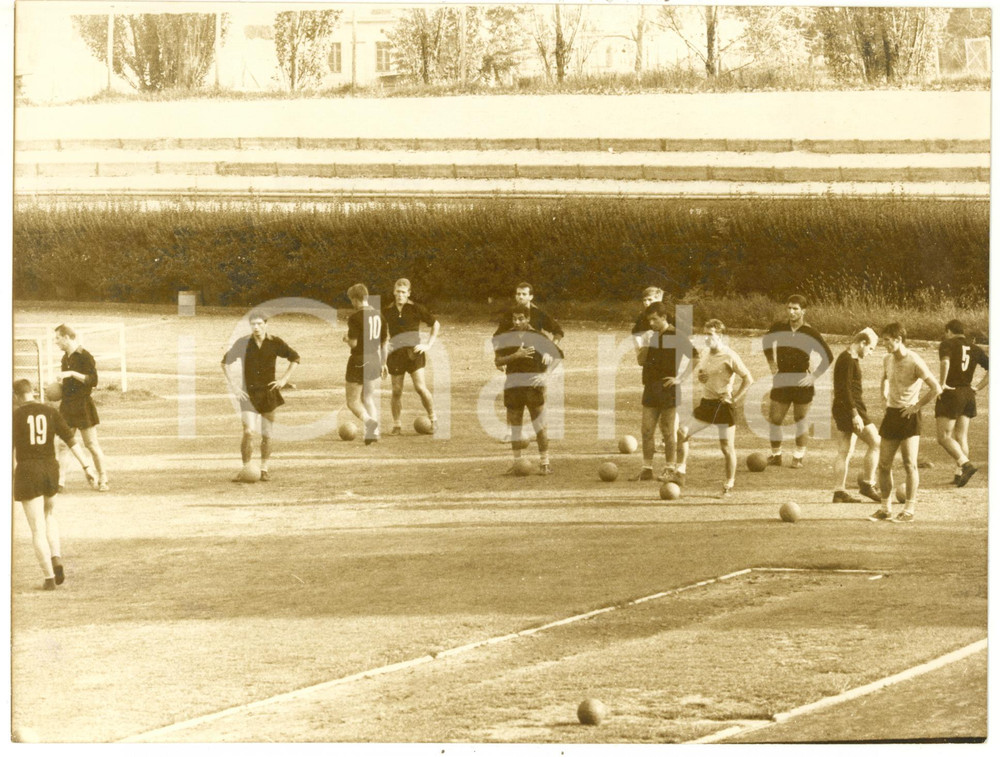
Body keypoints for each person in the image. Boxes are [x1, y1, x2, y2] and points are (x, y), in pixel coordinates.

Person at [13, 379, 97, 590]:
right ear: (32, 392)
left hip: (28, 470)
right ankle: (56, 556)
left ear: (16, 396)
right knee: (49, 515)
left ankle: (49, 578)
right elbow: (70, 440)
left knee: (36, 529)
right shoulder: (50, 411)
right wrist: (87, 467)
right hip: (50, 469)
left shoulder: (14, 416)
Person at [870, 322, 942, 523]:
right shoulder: (887, 359)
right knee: (884, 464)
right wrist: (883, 394)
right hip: (891, 415)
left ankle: (909, 510)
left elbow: (935, 388)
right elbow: (884, 378)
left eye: (886, 340)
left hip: (909, 417)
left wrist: (916, 406)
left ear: (898, 339)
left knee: (909, 464)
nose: (884, 344)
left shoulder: (915, 361)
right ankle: (885, 509)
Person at [221, 310, 300, 481]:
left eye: (259, 324)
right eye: (253, 324)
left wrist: (283, 380)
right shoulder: (243, 343)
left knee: (267, 434)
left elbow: (295, 358)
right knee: (248, 432)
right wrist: (234, 387)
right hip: (248, 394)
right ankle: (246, 469)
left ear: (266, 324)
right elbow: (225, 363)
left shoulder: (275, 342)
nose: (256, 327)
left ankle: (264, 469)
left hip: (268, 394)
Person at [679, 320, 753, 497]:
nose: (706, 338)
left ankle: (728, 484)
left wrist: (733, 398)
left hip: (723, 406)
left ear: (719, 336)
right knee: (682, 432)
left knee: (726, 447)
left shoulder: (730, 356)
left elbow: (748, 378)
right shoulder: (705, 353)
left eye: (710, 335)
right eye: (704, 334)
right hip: (706, 403)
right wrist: (702, 377)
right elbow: (704, 375)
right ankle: (679, 471)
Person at [761, 295, 834, 469]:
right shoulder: (779, 328)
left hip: (802, 380)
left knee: (800, 419)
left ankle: (798, 456)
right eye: (789, 308)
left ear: (803, 311)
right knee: (775, 419)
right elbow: (766, 342)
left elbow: (828, 356)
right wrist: (771, 362)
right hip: (782, 379)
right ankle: (776, 455)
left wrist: (814, 376)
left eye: (795, 309)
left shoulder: (810, 332)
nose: (791, 312)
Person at [494, 304, 563, 475]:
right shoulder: (506, 337)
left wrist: (546, 375)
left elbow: (558, 355)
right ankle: (517, 462)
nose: (517, 322)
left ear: (528, 319)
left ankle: (545, 462)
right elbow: (498, 361)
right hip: (513, 386)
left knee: (540, 426)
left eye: (521, 318)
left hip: (533, 386)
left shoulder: (537, 336)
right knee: (516, 426)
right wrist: (515, 356)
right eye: (514, 318)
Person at [635, 301, 695, 483]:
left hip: (668, 389)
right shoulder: (651, 336)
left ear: (664, 317)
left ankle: (670, 467)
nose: (651, 323)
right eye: (649, 320)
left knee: (669, 431)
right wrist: (644, 344)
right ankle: (647, 469)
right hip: (650, 388)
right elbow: (640, 361)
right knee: (646, 430)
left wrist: (681, 378)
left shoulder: (676, 335)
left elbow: (695, 356)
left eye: (654, 319)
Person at [53, 323, 109, 492]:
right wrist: (55, 389)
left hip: (83, 405)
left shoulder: (85, 356)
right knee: (62, 444)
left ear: (66, 337)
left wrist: (71, 374)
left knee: (91, 444)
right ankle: (60, 483)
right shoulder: (65, 358)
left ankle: (103, 478)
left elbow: (93, 381)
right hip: (67, 406)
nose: (56, 342)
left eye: (57, 338)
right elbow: (67, 385)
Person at [831, 328, 882, 504]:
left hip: (843, 407)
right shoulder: (848, 360)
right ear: (862, 343)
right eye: (871, 348)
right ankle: (868, 484)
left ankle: (839, 492)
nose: (871, 353)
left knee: (845, 450)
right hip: (851, 408)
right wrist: (855, 414)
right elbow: (844, 389)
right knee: (876, 442)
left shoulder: (848, 357)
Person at [934, 319, 987, 487]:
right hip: (968, 394)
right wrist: (978, 387)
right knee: (961, 436)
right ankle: (959, 474)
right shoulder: (975, 348)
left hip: (952, 392)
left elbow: (945, 362)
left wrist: (941, 384)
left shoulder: (947, 343)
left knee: (944, 437)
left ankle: (966, 465)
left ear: (949, 331)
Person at [383, 278, 439, 434]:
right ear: (394, 292)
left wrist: (428, 344)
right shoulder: (387, 310)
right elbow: (378, 330)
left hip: (414, 353)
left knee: (420, 388)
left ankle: (433, 419)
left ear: (408, 293)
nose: (400, 295)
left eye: (403, 292)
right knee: (396, 390)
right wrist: (384, 344)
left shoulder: (416, 308)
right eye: (398, 292)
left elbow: (435, 324)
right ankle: (397, 425)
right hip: (395, 355)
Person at [344, 284, 387, 445]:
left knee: (352, 401)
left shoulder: (355, 318)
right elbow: (384, 342)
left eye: (351, 300)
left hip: (358, 359)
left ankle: (369, 422)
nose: (351, 304)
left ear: (355, 299)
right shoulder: (379, 315)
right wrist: (384, 363)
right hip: (374, 358)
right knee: (368, 397)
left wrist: (346, 339)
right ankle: (373, 434)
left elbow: (354, 343)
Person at [494, 282, 564, 345]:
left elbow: (558, 331)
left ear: (531, 297)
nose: (520, 297)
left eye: (524, 294)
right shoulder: (509, 313)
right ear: (515, 296)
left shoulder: (539, 313)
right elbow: (497, 336)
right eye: (518, 294)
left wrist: (552, 348)